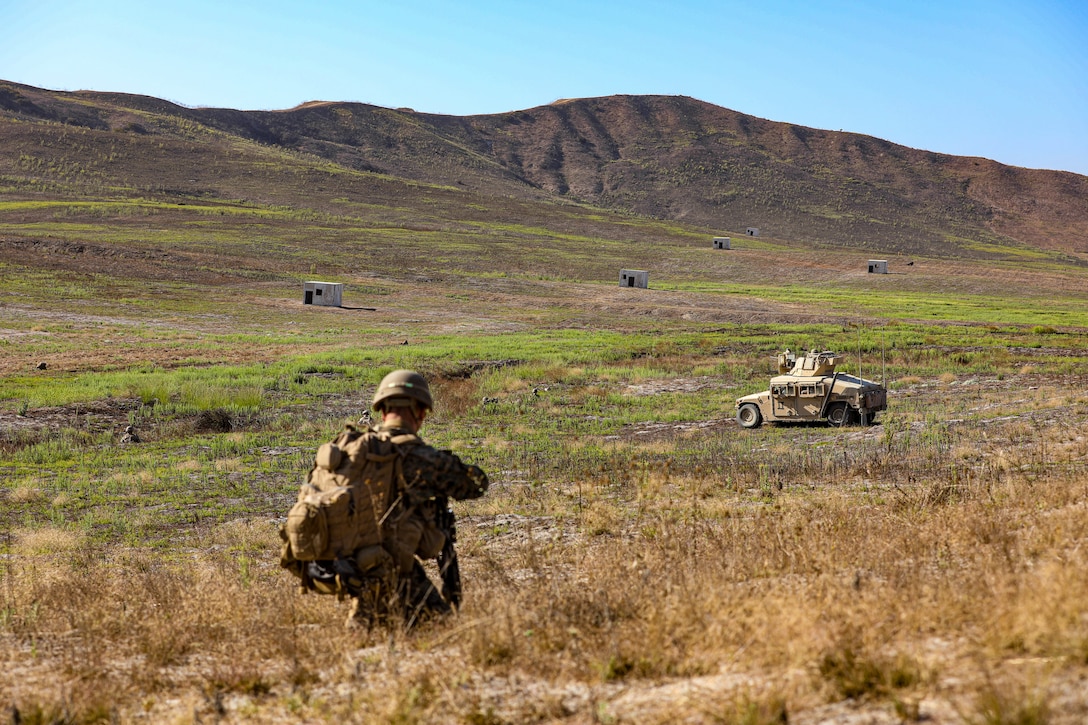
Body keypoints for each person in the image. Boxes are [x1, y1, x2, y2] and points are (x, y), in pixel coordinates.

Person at [348, 369, 489, 628]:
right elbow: (477, 484)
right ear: (421, 412)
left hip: (345, 565)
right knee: (441, 628)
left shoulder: (351, 449)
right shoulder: (421, 458)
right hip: (391, 567)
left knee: (370, 626)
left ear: (382, 412)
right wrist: (445, 463)